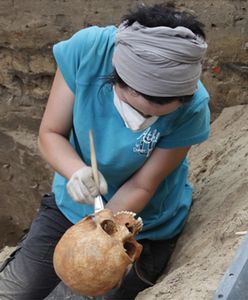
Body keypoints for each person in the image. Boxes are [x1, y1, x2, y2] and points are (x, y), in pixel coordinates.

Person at [0, 3, 210, 300]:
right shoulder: (88, 52)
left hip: (137, 226)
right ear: (115, 76)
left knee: (74, 293)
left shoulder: (194, 106)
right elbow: (50, 134)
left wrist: (103, 232)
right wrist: (76, 172)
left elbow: (142, 184)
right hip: (69, 207)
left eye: (155, 116)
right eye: (135, 108)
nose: (139, 122)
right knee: (12, 293)